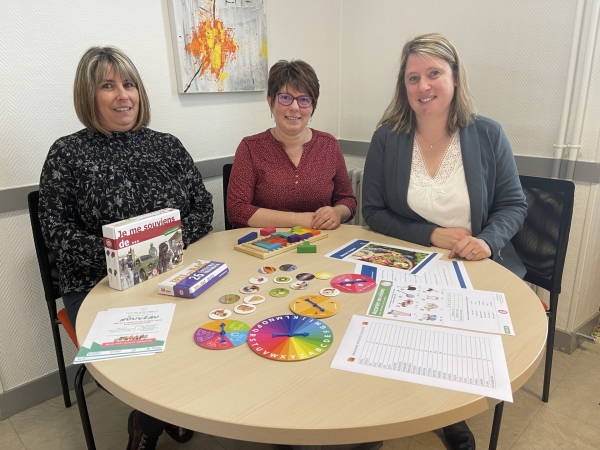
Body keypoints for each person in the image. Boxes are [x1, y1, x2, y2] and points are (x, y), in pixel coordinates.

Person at [38, 46, 214, 450]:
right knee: (146, 359)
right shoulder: (67, 154)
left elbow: (203, 206)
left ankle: (168, 409)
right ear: (89, 95)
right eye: (108, 86)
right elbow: (55, 232)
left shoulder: (167, 145)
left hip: (172, 270)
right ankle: (150, 422)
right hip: (99, 286)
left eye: (129, 84)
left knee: (215, 327)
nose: (123, 95)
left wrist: (163, 245)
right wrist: (121, 255)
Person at [362, 33, 527, 450]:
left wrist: (487, 241)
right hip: (408, 260)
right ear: (404, 85)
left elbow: (513, 205)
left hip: (473, 265)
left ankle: (452, 416)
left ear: (455, 77)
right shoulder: (387, 137)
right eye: (413, 77)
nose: (423, 87)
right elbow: (374, 213)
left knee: (452, 351)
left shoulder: (488, 134)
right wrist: (431, 234)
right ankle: (373, 419)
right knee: (376, 339)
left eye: (434, 73)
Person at [227, 59, 357, 229]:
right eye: (285, 98)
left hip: (320, 243)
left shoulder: (329, 145)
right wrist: (302, 220)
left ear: (312, 105)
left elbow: (348, 200)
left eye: (304, 100)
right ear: (270, 101)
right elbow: (236, 210)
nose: (295, 107)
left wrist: (338, 212)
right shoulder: (250, 148)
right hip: (266, 247)